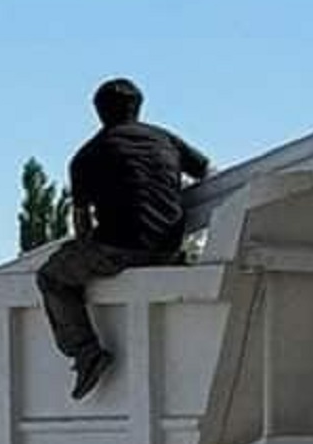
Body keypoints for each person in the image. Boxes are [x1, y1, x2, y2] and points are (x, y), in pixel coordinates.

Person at [38, 78, 210, 399]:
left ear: (98, 112)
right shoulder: (165, 140)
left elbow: (82, 224)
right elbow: (207, 172)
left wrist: (81, 250)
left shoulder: (87, 156)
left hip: (119, 248)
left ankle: (86, 353)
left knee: (52, 278)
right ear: (139, 107)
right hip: (169, 247)